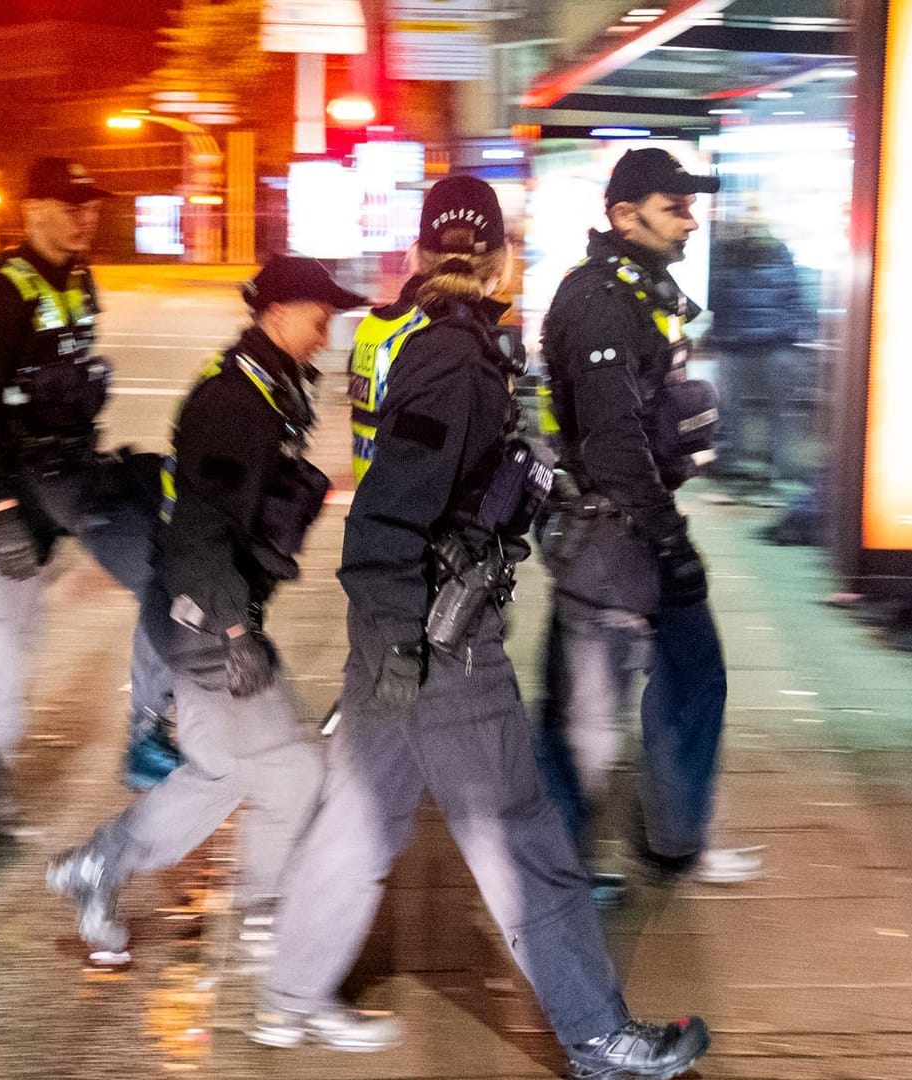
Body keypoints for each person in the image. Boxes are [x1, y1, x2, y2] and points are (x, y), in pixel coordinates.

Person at [251, 176, 711, 1080]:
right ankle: (598, 1038)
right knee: (522, 833)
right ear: (500, 257)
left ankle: (289, 996)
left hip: (405, 635)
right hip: (438, 641)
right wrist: (402, 639)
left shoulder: (425, 343)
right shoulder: (456, 360)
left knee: (360, 817)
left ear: (421, 255)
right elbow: (389, 516)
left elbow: (428, 489)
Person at [46, 257, 359, 954]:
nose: (326, 331)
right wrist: (232, 628)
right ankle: (264, 914)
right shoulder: (232, 402)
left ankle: (98, 865)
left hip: (204, 610)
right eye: (319, 316)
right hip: (206, 620)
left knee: (221, 771)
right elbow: (197, 529)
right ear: (277, 313)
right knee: (296, 769)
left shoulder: (272, 391)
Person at [532, 148, 762, 900]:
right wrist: (669, 540)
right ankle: (556, 874)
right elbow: (612, 440)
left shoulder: (639, 291)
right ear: (625, 215)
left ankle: (670, 842)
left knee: (692, 677)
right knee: (584, 726)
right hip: (610, 538)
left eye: (691, 207)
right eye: (676, 207)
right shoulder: (602, 300)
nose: (690, 221)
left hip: (632, 531)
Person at [0, 156, 180, 834]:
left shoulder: (80, 279)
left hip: (75, 476)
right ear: (33, 209)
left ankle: (149, 730)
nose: (88, 215)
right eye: (73, 203)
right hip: (17, 488)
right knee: (3, 652)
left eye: (92, 204)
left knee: (170, 568)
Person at [705, 208, 815, 496]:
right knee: (780, 411)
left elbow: (719, 299)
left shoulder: (728, 254)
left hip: (740, 342)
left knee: (732, 409)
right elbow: (794, 296)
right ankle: (780, 472)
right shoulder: (779, 252)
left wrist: (720, 333)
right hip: (772, 343)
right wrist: (795, 332)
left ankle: (737, 467)